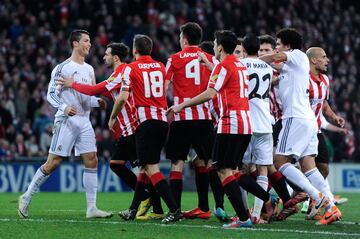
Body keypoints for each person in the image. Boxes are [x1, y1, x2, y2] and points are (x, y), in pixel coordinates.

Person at [57, 42, 163, 219]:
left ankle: (156, 205)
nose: (103, 57)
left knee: (145, 168)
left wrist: (72, 84)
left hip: (133, 128)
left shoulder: (123, 72)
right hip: (126, 130)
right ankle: (147, 198)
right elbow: (107, 92)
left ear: (115, 57)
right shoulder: (119, 73)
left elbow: (94, 89)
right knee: (116, 164)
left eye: (106, 54)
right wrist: (98, 100)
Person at [18, 29, 112, 219]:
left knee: (92, 158)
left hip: (84, 120)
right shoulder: (63, 68)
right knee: (53, 162)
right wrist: (64, 107)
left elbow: (88, 97)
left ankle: (91, 208)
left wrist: (97, 102)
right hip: (66, 119)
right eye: (86, 41)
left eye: (90, 41)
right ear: (75, 43)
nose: (89, 44)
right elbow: (50, 94)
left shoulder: (89, 69)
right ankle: (27, 196)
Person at [168, 30, 253, 228]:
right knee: (227, 169)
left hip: (230, 123)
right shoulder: (239, 65)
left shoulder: (222, 66)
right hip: (245, 123)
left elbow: (210, 93)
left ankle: (244, 217)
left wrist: (182, 105)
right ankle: (248, 209)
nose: (213, 46)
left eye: (215, 43)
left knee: (223, 170)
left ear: (220, 47)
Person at [259, 28, 341, 225]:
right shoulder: (292, 66)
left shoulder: (297, 55)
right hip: (307, 120)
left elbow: (275, 57)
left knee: (279, 161)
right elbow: (276, 67)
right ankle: (331, 207)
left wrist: (250, 60)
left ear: (287, 45)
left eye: (278, 43)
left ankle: (315, 194)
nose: (276, 47)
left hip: (295, 117)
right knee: (308, 166)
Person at [108, 34, 181, 223]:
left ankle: (174, 210)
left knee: (151, 168)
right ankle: (133, 209)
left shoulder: (130, 69)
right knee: (143, 168)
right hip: (162, 121)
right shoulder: (160, 66)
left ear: (134, 50)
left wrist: (113, 116)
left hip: (145, 122)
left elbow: (123, 97)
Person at [165, 22, 217, 219]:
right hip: (204, 118)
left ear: (184, 39)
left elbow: (163, 87)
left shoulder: (173, 59)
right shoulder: (210, 59)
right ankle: (206, 207)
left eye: (180, 37)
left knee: (177, 162)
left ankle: (175, 209)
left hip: (181, 117)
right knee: (206, 161)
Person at [241, 33, 291, 224]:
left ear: (244, 49)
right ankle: (256, 215)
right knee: (263, 169)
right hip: (265, 122)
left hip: (246, 123)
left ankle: (245, 213)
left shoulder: (241, 65)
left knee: (242, 170)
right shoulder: (268, 69)